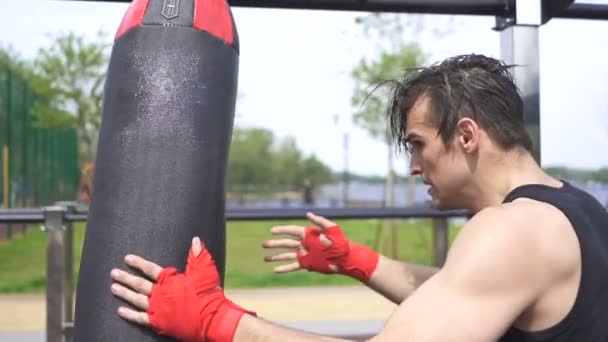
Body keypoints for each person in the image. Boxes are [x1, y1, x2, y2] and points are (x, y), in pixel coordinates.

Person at [109, 54, 608, 341]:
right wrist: (361, 261)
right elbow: (473, 292)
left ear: (468, 135)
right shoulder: (575, 207)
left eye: (418, 145)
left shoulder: (511, 230)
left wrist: (218, 321)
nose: (413, 167)